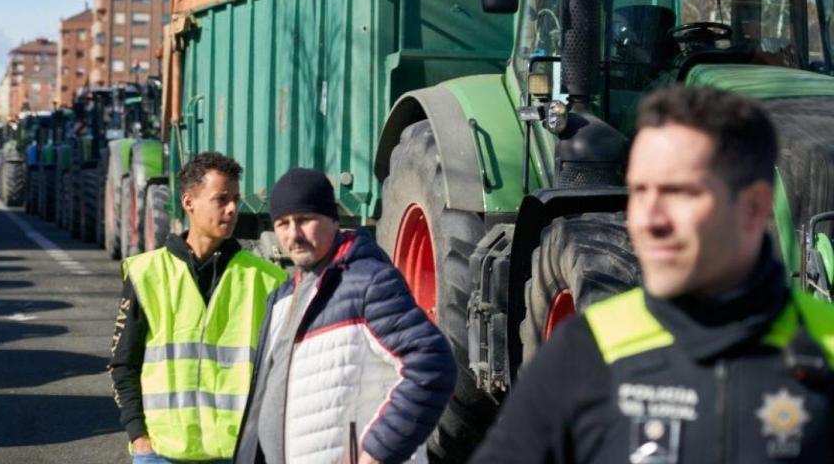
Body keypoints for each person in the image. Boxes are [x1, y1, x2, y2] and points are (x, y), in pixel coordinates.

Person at [469, 87, 834, 463]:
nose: (648, 220)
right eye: (640, 192)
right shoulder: (586, 351)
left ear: (755, 206)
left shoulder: (827, 348)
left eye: (678, 193)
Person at [234, 167, 456, 464]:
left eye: (304, 220)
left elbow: (431, 363)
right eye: (283, 223)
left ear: (333, 220)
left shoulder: (368, 282)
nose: (293, 234)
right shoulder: (283, 299)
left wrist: (377, 454)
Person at [109, 152, 286, 464]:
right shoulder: (146, 273)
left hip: (237, 453)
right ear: (189, 202)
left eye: (235, 199)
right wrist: (139, 437)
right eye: (221, 199)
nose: (232, 209)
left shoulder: (268, 279)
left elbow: (282, 372)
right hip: (162, 453)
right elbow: (124, 364)